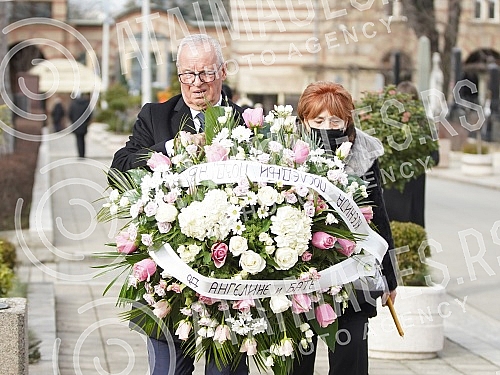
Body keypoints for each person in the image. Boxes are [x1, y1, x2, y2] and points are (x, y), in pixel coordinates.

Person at [110, 34, 247, 375]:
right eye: (187, 74)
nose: (196, 84)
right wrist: (170, 149)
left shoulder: (248, 123)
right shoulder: (157, 115)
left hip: (232, 277)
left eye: (205, 73)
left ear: (223, 72)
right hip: (168, 277)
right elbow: (119, 169)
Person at [292, 81, 398, 375]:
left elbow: (379, 215)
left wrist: (390, 277)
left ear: (347, 121)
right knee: (296, 360)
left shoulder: (364, 153)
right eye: (319, 120)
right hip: (297, 277)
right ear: (304, 120)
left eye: (335, 120)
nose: (328, 126)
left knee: (350, 361)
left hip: (352, 276)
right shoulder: (285, 152)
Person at [382, 80, 439, 228]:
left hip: (397, 182)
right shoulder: (425, 124)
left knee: (393, 229)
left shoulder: (387, 124)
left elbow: (435, 157)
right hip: (411, 183)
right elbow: (435, 158)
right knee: (412, 227)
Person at [69, 93, 92, 158]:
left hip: (76, 124)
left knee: (78, 139)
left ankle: (79, 154)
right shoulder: (86, 104)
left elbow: (70, 114)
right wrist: (87, 122)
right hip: (84, 125)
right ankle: (83, 154)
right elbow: (89, 115)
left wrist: (73, 121)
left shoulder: (73, 104)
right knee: (83, 139)